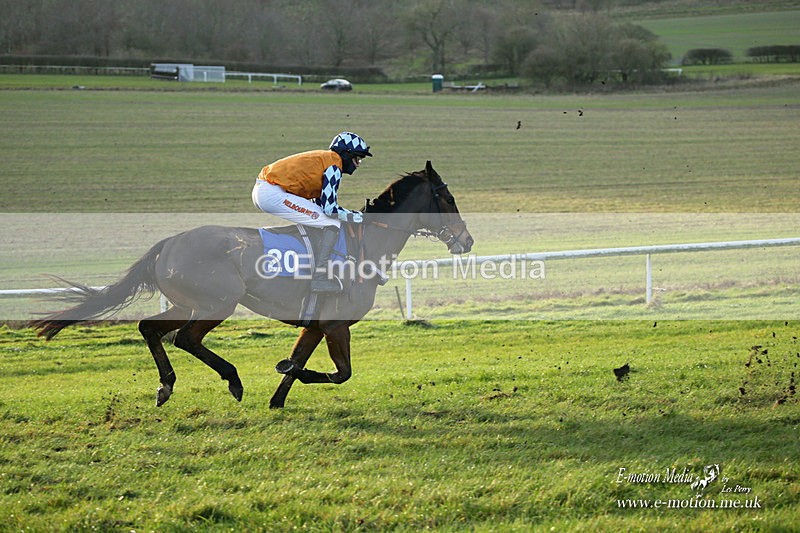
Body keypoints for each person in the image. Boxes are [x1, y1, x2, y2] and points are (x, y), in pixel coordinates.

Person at [252, 132, 372, 293]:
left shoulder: (327, 160)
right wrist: (358, 217)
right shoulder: (334, 166)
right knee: (332, 222)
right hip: (271, 193)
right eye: (357, 158)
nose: (358, 164)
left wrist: (350, 215)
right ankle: (319, 279)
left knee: (321, 219)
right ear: (346, 154)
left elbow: (322, 205)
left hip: (266, 189)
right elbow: (330, 210)